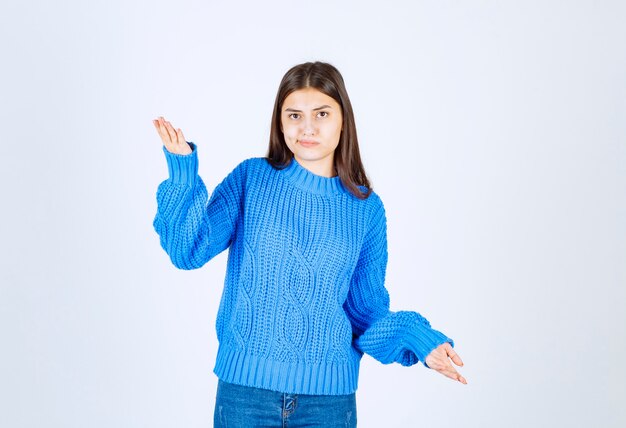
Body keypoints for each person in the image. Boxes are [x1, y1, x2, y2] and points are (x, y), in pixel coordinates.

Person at [152, 61, 467, 427]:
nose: (307, 128)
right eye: (294, 115)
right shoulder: (251, 179)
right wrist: (182, 171)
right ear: (280, 122)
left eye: (321, 114)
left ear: (343, 119)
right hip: (244, 396)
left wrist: (416, 336)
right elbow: (187, 249)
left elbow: (365, 314)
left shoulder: (365, 209)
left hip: (328, 406)